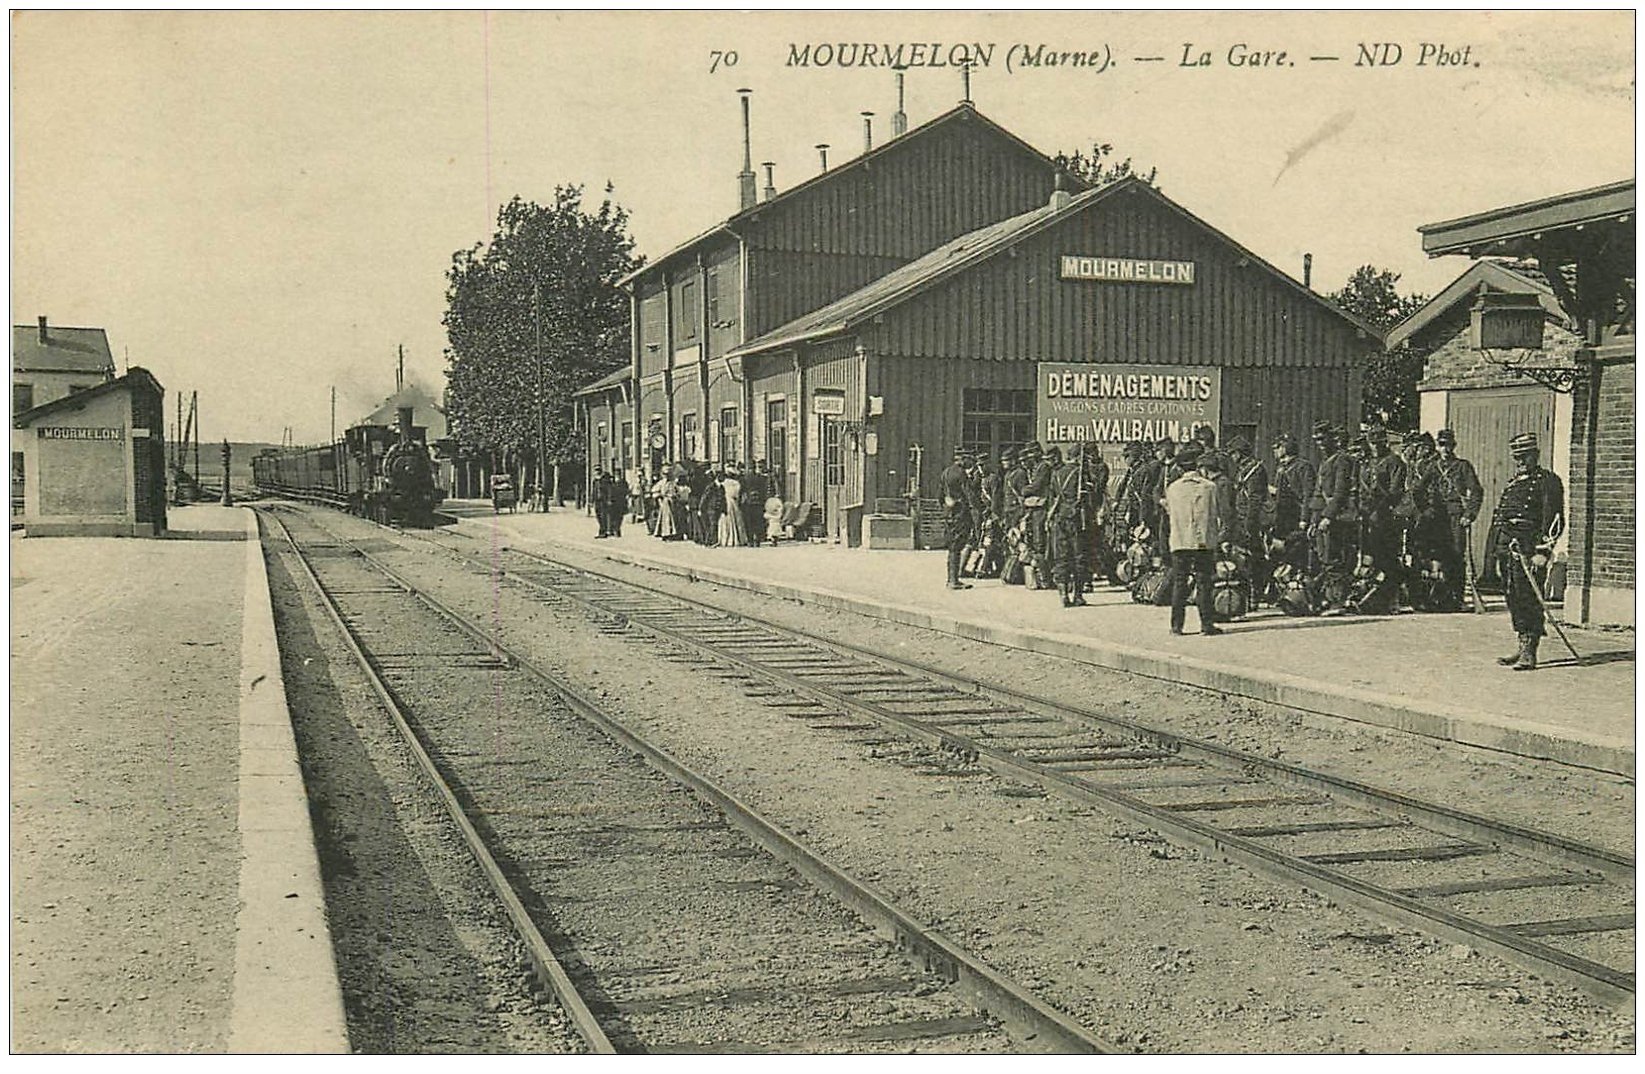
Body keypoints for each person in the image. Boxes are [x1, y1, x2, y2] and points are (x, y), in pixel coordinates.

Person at [1491, 432, 1565, 670]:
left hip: (1530, 547)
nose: (1522, 462)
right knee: (1513, 596)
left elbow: (1554, 519)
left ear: (1536, 455)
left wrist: (1543, 551)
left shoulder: (1548, 481)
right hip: (1509, 546)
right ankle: (1521, 643)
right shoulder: (1514, 482)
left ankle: (1530, 650)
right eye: (1518, 458)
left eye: (1526, 457)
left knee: (1529, 597)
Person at [1164, 446, 1225, 636]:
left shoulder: (1172, 488)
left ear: (1180, 468)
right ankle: (1206, 624)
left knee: (1180, 582)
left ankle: (1177, 626)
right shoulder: (1210, 487)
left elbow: (1170, 513)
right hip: (1203, 541)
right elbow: (1217, 513)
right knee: (1204, 581)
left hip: (1180, 540)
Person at [1356, 423, 1408, 602]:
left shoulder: (1395, 462)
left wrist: (1380, 507)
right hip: (1366, 514)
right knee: (1369, 555)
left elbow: (1396, 491)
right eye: (1372, 443)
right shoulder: (1367, 462)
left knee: (1387, 556)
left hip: (1385, 515)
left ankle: (1391, 597)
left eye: (1379, 443)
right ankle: (1371, 597)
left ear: (1385, 442)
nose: (1376, 446)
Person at [1434, 429, 1485, 604]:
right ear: (1437, 446)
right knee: (1437, 555)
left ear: (1453, 446)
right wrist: (1425, 511)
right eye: (1441, 445)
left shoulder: (1463, 466)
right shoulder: (1433, 467)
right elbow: (1418, 489)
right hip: (1437, 518)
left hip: (1456, 516)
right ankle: (1440, 595)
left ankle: (1456, 596)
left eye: (1448, 445)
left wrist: (1469, 514)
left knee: (1456, 555)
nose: (1445, 449)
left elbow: (1476, 491)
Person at [1047, 442, 1101, 607]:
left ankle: (1063, 594)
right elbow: (1092, 497)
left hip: (1060, 518)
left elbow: (1053, 497)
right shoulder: (1080, 474)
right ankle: (1078, 595)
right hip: (1078, 519)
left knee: (1061, 557)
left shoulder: (1056, 474)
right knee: (1079, 556)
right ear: (1079, 457)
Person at [1308, 421, 1357, 571]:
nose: (1320, 443)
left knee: (1334, 562)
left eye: (1322, 438)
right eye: (1317, 439)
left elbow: (1340, 492)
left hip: (1337, 518)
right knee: (1321, 559)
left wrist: (1328, 517)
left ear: (1331, 437)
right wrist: (1314, 520)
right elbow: (1319, 492)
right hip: (1323, 517)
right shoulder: (1325, 461)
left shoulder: (1342, 459)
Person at [1225, 436, 1268, 603]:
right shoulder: (1244, 469)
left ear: (1240, 453)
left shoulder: (1254, 470)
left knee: (1251, 559)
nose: (1232, 457)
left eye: (1233, 453)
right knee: (1242, 558)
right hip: (1241, 519)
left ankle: (1254, 596)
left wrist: (1249, 525)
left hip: (1250, 522)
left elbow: (1254, 500)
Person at [940, 446, 978, 589]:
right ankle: (953, 580)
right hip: (960, 513)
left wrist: (946, 510)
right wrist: (975, 511)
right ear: (963, 459)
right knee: (957, 546)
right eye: (969, 459)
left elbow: (940, 496)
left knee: (952, 547)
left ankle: (951, 578)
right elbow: (969, 495)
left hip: (949, 513)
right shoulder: (961, 474)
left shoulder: (946, 472)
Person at [718, 465, 749, 547]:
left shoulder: (724, 483)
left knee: (726, 521)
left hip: (726, 502)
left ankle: (726, 539)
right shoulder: (737, 484)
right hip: (734, 503)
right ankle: (737, 538)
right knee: (736, 520)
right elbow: (737, 495)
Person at [742, 460, 771, 547]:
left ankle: (750, 540)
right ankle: (757, 539)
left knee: (749, 522)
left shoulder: (744, 478)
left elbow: (742, 491)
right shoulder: (761, 478)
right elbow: (764, 490)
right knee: (758, 522)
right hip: (758, 502)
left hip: (749, 503)